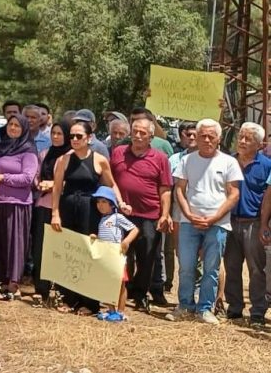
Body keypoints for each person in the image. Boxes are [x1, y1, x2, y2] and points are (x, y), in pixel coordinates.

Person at [169, 118, 240, 324]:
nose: (207, 139)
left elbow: (233, 194)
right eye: (203, 136)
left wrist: (215, 217)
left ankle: (205, 309)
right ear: (196, 138)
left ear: (219, 139)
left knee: (212, 267)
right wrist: (189, 215)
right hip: (188, 222)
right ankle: (184, 306)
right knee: (186, 266)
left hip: (217, 223)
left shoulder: (229, 162)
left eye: (211, 136)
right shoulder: (186, 161)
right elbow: (179, 190)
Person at [50, 120, 124, 315]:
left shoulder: (99, 160)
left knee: (89, 254)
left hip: (89, 210)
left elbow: (111, 184)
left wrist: (121, 203)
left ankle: (89, 303)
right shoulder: (63, 160)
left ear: (89, 138)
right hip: (68, 208)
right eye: (71, 136)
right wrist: (55, 213)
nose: (74, 139)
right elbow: (57, 188)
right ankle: (68, 298)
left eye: (78, 136)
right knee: (69, 254)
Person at [109, 118, 173, 314]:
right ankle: (121, 292)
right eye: (135, 131)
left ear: (151, 137)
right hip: (122, 214)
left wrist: (165, 214)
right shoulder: (118, 153)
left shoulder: (160, 158)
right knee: (122, 255)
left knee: (147, 257)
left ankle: (140, 294)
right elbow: (110, 179)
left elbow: (165, 189)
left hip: (149, 215)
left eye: (142, 133)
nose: (137, 135)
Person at [0, 113, 38, 300]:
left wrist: (2, 178)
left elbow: (27, 178)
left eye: (17, 125)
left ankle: (13, 285)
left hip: (17, 204)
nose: (13, 128)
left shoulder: (29, 150)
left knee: (14, 244)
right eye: (10, 124)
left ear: (24, 129)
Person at [224, 122, 271, 326]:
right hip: (229, 221)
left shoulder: (267, 165)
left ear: (260, 144)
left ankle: (258, 311)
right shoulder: (228, 162)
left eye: (248, 139)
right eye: (240, 137)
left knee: (256, 268)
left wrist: (264, 224)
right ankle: (234, 308)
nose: (242, 141)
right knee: (231, 266)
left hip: (254, 222)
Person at [32, 122, 69, 298]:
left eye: (60, 134)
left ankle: (61, 288)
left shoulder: (72, 156)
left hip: (64, 207)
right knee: (41, 247)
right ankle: (42, 286)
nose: (55, 137)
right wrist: (39, 184)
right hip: (43, 205)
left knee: (61, 249)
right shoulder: (44, 154)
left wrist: (55, 185)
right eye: (53, 133)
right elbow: (36, 175)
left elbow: (75, 181)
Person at [90, 186, 138, 321]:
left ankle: (121, 312)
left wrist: (126, 242)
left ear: (112, 204)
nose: (100, 205)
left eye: (104, 202)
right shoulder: (102, 220)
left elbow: (134, 229)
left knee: (121, 284)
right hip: (106, 257)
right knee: (108, 283)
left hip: (117, 257)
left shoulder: (117, 217)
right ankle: (111, 310)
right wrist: (96, 238)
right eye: (98, 202)